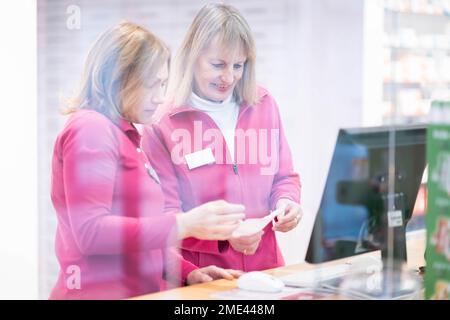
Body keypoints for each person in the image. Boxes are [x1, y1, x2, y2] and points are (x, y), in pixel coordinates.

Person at [49, 21, 245, 300]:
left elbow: (139, 234)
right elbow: (91, 232)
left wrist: (187, 272)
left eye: (163, 84)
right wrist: (183, 224)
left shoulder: (127, 136)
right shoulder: (90, 128)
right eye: (152, 85)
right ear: (116, 79)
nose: (160, 97)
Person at [142, 3, 302, 272]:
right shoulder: (162, 125)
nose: (229, 77)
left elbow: (284, 177)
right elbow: (165, 218)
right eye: (218, 64)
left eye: (238, 65)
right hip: (206, 276)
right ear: (193, 58)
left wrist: (287, 203)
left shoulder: (263, 104)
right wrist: (224, 237)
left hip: (268, 269)